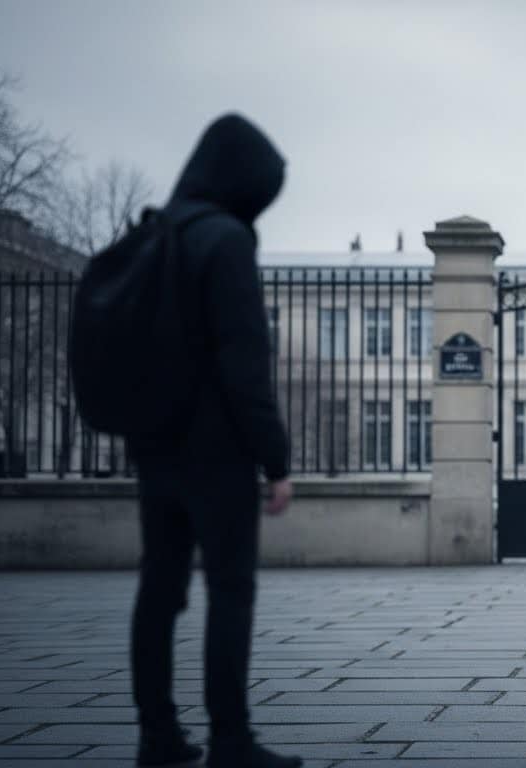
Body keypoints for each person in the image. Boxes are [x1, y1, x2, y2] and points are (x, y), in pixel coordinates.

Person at [128, 113, 302, 768]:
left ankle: (157, 735)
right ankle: (230, 739)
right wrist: (274, 459)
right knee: (229, 590)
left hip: (155, 444)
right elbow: (242, 360)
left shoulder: (157, 232)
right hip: (216, 451)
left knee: (159, 589)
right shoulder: (225, 241)